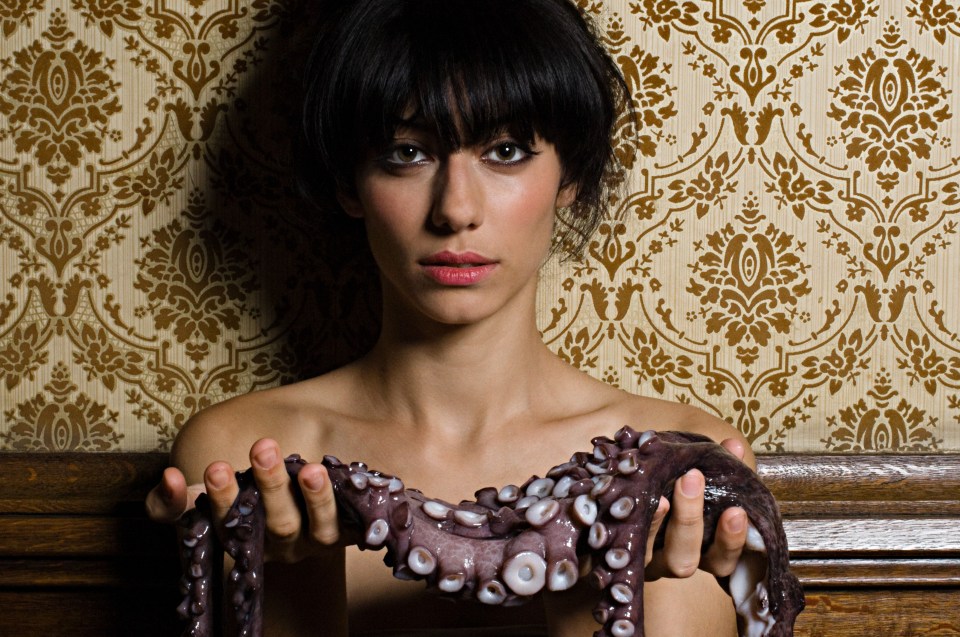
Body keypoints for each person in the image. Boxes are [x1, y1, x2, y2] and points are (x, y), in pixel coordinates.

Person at [147, 0, 755, 634]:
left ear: (568, 174)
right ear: (348, 183)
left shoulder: (674, 463)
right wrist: (299, 572)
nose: (456, 210)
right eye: (407, 153)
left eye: (507, 150)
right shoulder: (242, 452)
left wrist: (603, 577)